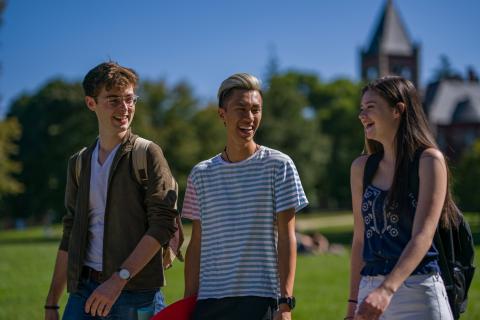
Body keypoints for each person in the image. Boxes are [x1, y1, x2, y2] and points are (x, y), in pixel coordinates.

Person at [44, 62, 178, 320]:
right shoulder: (79, 163)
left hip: (135, 293)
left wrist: (118, 280)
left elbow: (163, 225)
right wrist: (51, 303)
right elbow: (70, 232)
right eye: (113, 100)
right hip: (83, 290)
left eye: (129, 99)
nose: (125, 108)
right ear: (91, 103)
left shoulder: (147, 153)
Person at [183, 73, 308, 320]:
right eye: (240, 109)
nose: (249, 118)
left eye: (255, 109)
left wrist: (285, 304)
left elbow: (286, 237)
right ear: (222, 114)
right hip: (210, 302)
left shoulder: (278, 165)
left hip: (261, 299)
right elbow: (196, 244)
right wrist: (189, 303)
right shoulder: (200, 174)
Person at [346, 76, 458, 320]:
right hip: (369, 291)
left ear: (398, 110)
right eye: (361, 109)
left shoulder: (429, 161)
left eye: (370, 108)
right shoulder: (361, 168)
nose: (362, 115)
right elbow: (359, 240)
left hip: (417, 290)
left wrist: (387, 290)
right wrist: (352, 305)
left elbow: (423, 234)